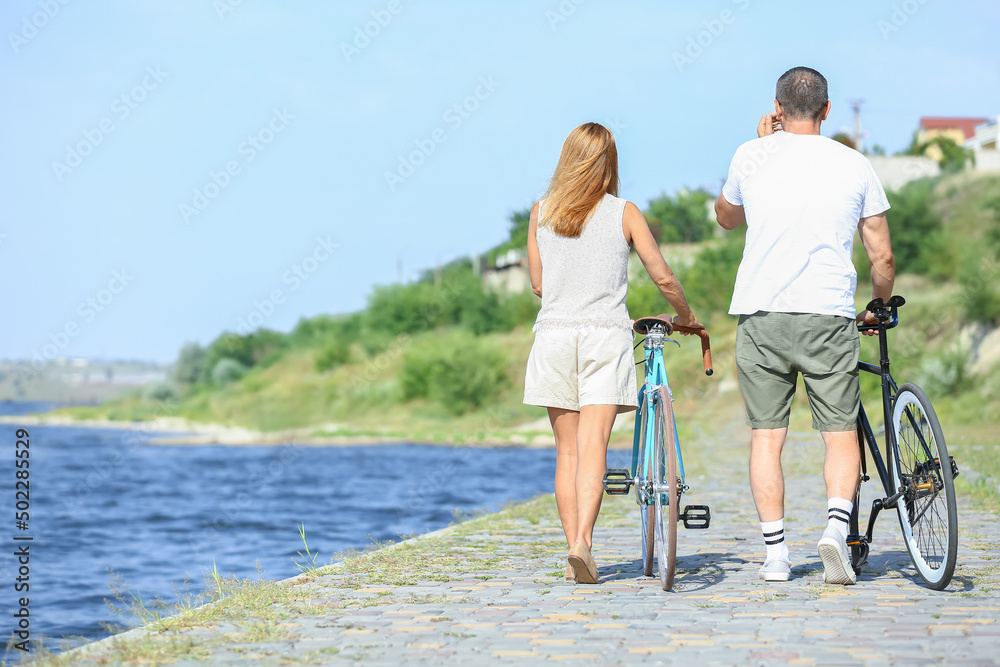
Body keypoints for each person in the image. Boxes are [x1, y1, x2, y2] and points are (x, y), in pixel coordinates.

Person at [715, 67, 895, 585]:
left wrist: (760, 144)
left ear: (776, 106)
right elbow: (881, 256)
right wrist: (876, 307)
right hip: (828, 313)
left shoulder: (750, 155)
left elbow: (726, 217)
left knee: (767, 436)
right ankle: (836, 532)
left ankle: (775, 555)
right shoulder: (855, 163)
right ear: (828, 109)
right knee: (839, 433)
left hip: (762, 313)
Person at [524, 122, 701, 584]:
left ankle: (573, 550)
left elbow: (539, 284)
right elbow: (661, 276)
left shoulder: (541, 211)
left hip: (555, 335)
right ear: (610, 163)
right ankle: (583, 540)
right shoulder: (623, 212)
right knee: (593, 446)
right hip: (604, 334)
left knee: (566, 452)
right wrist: (685, 314)